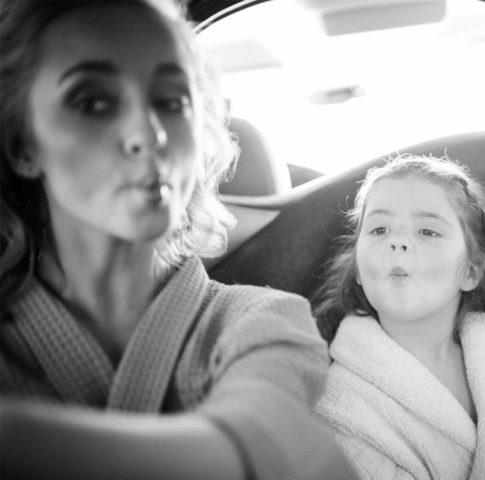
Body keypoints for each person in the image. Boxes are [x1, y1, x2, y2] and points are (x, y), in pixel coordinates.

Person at [0, 1, 358, 479]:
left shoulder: (262, 320)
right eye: (93, 102)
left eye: (171, 101)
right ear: (23, 145)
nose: (150, 135)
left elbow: (290, 451)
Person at [312, 154, 485, 479]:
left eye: (428, 231)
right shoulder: (338, 404)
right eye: (380, 228)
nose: (397, 241)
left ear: (470, 272)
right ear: (359, 269)